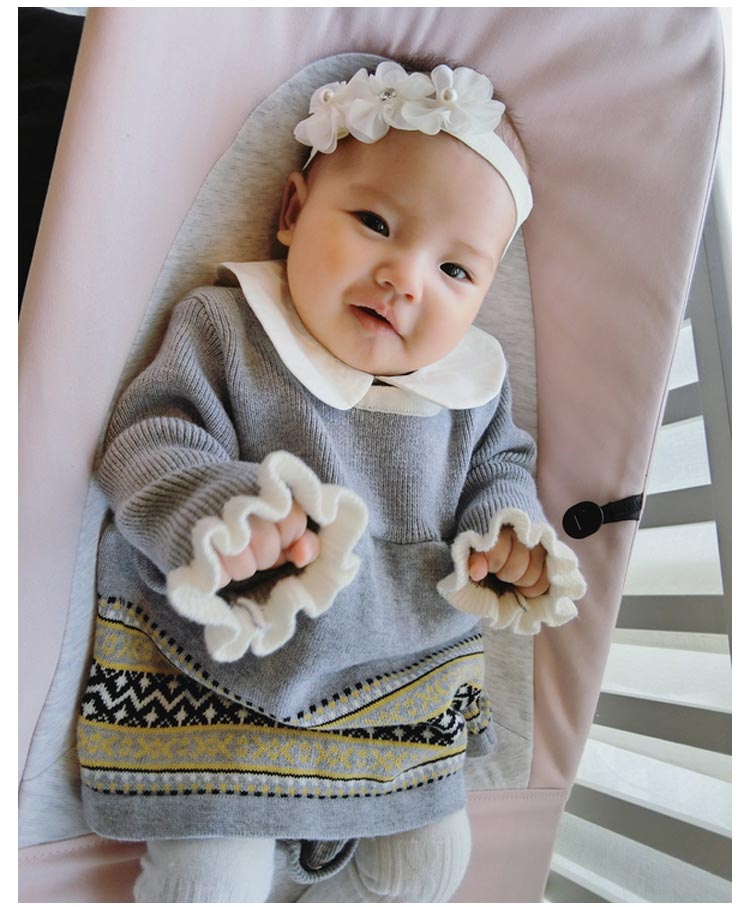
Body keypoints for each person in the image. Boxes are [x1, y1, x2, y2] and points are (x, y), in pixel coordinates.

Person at [77, 60, 585, 903]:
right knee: (211, 881)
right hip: (221, 682)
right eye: (375, 222)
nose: (405, 278)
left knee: (430, 863)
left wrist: (506, 532)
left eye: (456, 271)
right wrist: (223, 513)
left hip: (398, 684)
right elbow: (152, 437)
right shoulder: (230, 329)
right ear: (292, 211)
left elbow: (501, 467)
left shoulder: (471, 387)